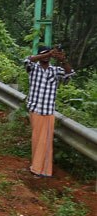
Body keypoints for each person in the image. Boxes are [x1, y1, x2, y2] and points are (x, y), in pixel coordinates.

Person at [24, 46, 74, 177]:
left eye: (49, 54)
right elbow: (28, 60)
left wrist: (63, 60)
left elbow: (69, 74)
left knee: (45, 141)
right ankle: (37, 168)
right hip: (35, 109)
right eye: (44, 54)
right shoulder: (33, 68)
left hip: (48, 110)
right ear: (40, 55)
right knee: (37, 139)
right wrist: (47, 54)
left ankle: (42, 170)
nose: (46, 56)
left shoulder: (56, 70)